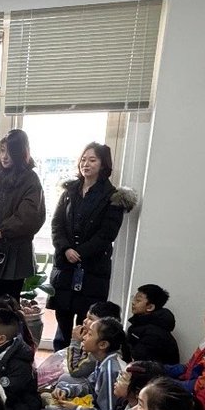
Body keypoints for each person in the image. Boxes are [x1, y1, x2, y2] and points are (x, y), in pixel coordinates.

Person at [47, 144, 136, 350]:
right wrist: (66, 249)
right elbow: (57, 225)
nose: (86, 164)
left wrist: (80, 252)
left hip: (92, 268)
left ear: (103, 164)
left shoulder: (112, 196)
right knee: (63, 320)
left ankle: (81, 362)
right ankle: (60, 360)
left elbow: (106, 234)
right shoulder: (70, 191)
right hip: (65, 265)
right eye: (83, 159)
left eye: (92, 160)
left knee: (87, 323)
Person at [0, 129, 46, 301]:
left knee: (10, 304)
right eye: (2, 150)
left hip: (16, 252)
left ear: (20, 153)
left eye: (10, 152)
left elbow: (28, 218)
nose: (4, 156)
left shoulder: (30, 179)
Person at [40, 316, 129, 410]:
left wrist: (76, 408)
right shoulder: (102, 360)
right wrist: (67, 390)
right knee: (45, 398)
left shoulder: (110, 370)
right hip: (91, 409)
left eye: (90, 334)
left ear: (103, 344)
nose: (84, 337)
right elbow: (88, 386)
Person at [125, 283, 180, 365]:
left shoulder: (154, 334)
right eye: (134, 298)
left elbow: (139, 360)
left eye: (138, 300)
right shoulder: (139, 323)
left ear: (150, 307)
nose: (133, 303)